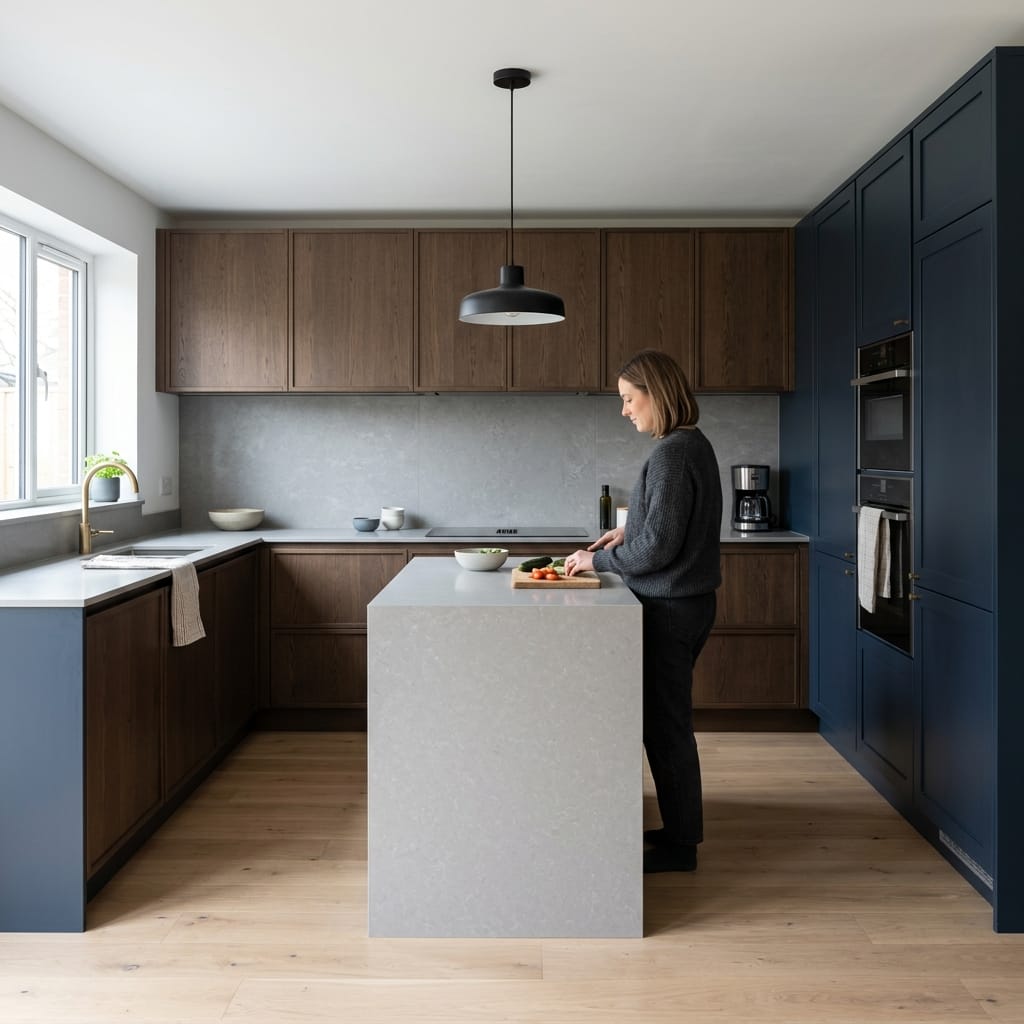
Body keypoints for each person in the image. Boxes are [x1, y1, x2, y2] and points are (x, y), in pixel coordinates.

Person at [564, 349, 722, 873]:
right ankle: (679, 831)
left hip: (670, 609)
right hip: (687, 604)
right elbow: (665, 526)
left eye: (629, 399)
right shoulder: (690, 445)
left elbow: (657, 550)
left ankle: (681, 847)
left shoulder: (674, 453)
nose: (625, 410)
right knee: (663, 722)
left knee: (666, 726)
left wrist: (597, 559)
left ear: (657, 393)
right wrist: (628, 530)